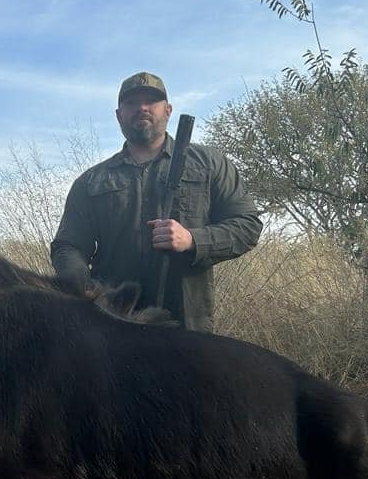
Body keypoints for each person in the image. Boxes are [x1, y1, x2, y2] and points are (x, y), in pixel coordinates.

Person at [51, 72, 263, 331]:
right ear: (119, 115)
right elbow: (68, 245)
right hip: (112, 326)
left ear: (168, 110)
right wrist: (80, 289)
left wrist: (192, 240)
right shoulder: (92, 181)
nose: (142, 107)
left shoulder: (209, 164)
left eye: (151, 101)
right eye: (131, 103)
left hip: (187, 326)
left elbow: (247, 226)